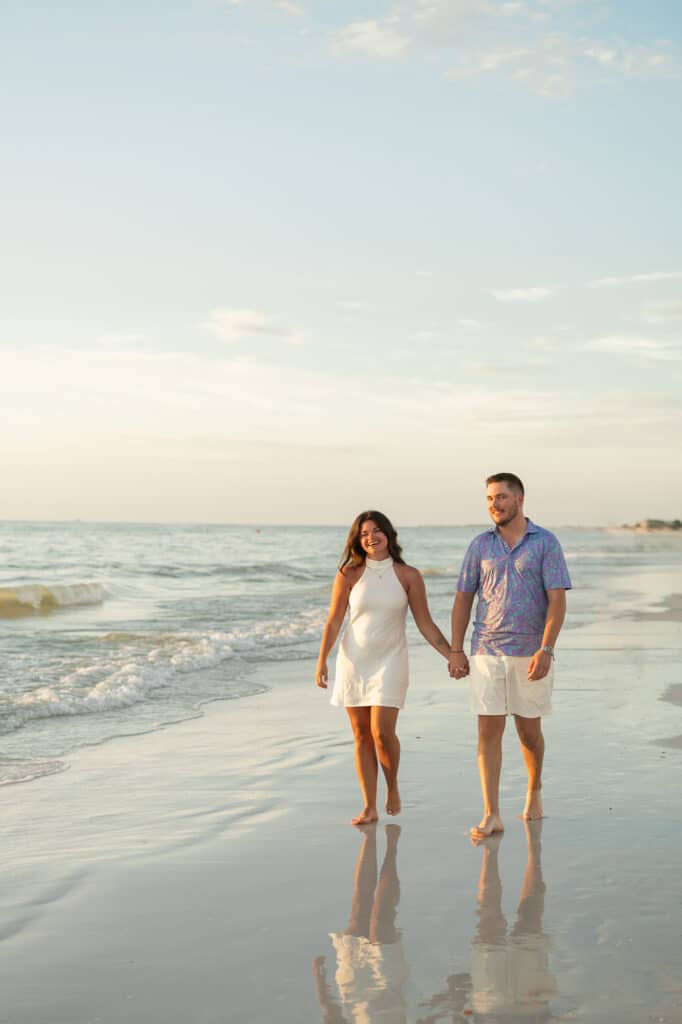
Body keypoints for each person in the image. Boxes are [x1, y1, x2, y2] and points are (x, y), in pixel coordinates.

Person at [448, 474, 571, 838]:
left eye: (501, 497)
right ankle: (491, 813)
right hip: (486, 649)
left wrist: (546, 649)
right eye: (489, 499)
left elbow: (557, 601)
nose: (494, 504)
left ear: (519, 498)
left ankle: (534, 790)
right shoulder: (479, 545)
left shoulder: (545, 542)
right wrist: (456, 648)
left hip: (530, 651)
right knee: (488, 730)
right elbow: (462, 599)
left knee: (528, 730)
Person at [316, 510, 450, 825]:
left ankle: (392, 788)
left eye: (376, 531)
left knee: (381, 732)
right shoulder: (348, 574)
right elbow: (334, 620)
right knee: (361, 734)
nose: (371, 537)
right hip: (354, 661)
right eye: (364, 533)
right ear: (357, 540)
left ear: (388, 534)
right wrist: (322, 659)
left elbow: (425, 623)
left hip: (391, 660)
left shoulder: (408, 576)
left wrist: (452, 654)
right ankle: (368, 805)